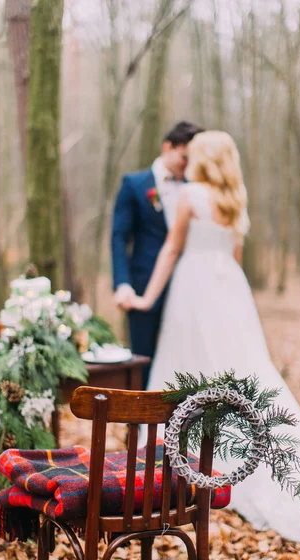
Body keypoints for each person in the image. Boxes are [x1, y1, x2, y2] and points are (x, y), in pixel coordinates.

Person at [127, 130, 300, 544]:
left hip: (193, 289)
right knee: (240, 369)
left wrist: (146, 298)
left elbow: (171, 251)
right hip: (230, 290)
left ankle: (185, 457)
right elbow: (234, 257)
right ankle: (227, 451)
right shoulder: (236, 200)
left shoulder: (190, 196)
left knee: (189, 365)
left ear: (204, 159)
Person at [111, 121, 204, 387]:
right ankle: (138, 425)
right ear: (168, 147)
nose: (187, 164)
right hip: (143, 286)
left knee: (184, 361)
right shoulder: (134, 184)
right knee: (142, 360)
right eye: (184, 156)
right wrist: (123, 284)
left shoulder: (196, 188)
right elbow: (119, 238)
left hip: (189, 285)